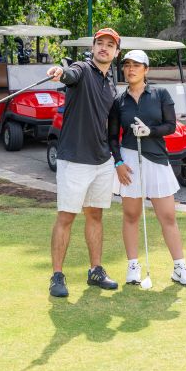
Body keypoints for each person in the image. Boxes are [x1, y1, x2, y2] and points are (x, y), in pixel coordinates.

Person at [108, 50, 186, 287]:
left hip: (157, 158)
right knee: (131, 215)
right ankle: (133, 267)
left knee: (167, 215)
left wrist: (150, 131)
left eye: (136, 65)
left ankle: (179, 267)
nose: (131, 69)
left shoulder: (160, 94)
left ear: (146, 70)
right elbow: (112, 137)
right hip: (128, 160)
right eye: (127, 65)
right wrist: (117, 162)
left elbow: (170, 125)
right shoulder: (119, 101)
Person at [45, 28, 122, 297]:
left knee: (96, 215)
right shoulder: (83, 69)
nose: (104, 48)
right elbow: (70, 74)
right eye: (99, 43)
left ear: (116, 52)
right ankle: (56, 276)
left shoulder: (111, 83)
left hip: (101, 160)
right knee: (66, 216)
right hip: (74, 159)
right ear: (93, 47)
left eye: (109, 45)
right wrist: (60, 72)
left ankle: (96, 270)